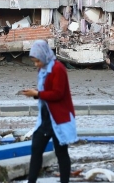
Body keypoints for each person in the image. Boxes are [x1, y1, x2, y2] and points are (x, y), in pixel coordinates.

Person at [21, 40, 77, 183]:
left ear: (44, 56)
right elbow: (44, 92)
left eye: (37, 61)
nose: (36, 65)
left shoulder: (58, 69)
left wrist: (37, 94)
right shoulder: (42, 69)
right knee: (36, 149)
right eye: (34, 62)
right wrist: (35, 94)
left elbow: (58, 94)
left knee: (61, 153)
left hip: (59, 118)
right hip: (45, 118)